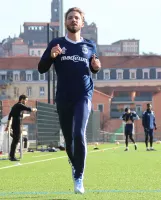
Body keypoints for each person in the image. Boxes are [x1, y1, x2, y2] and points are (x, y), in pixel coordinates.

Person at [38, 7, 101, 194]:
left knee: (78, 133)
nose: (74, 20)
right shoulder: (56, 44)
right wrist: (51, 56)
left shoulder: (89, 46)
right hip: (63, 97)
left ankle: (79, 177)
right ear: (66, 22)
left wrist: (96, 67)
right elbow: (41, 68)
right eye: (70, 18)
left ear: (82, 23)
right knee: (68, 140)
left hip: (83, 95)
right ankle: (74, 164)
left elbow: (93, 67)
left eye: (77, 18)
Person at [5, 95, 37, 161]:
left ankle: (11, 155)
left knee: (15, 140)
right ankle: (12, 156)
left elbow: (9, 116)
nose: (26, 102)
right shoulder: (19, 105)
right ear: (22, 99)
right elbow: (28, 109)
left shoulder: (15, 106)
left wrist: (8, 126)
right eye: (25, 100)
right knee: (16, 140)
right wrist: (34, 109)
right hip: (16, 124)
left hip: (15, 124)